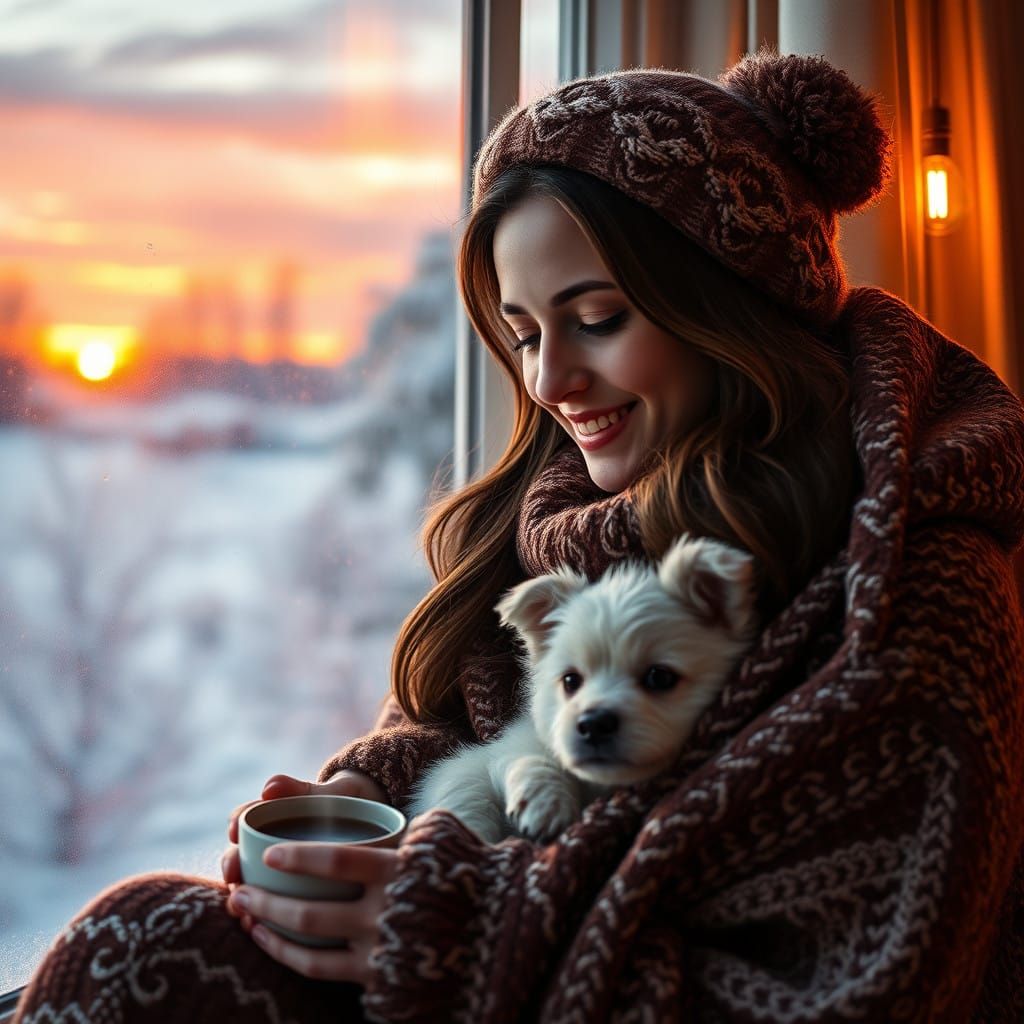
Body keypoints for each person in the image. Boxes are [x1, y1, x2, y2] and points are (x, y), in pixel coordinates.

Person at [14, 48, 1024, 1024]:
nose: (548, 382)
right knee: (143, 940)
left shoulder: (919, 593)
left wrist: (463, 937)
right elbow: (471, 735)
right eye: (527, 335)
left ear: (729, 311)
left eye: (597, 318)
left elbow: (865, 988)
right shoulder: (547, 528)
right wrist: (374, 786)